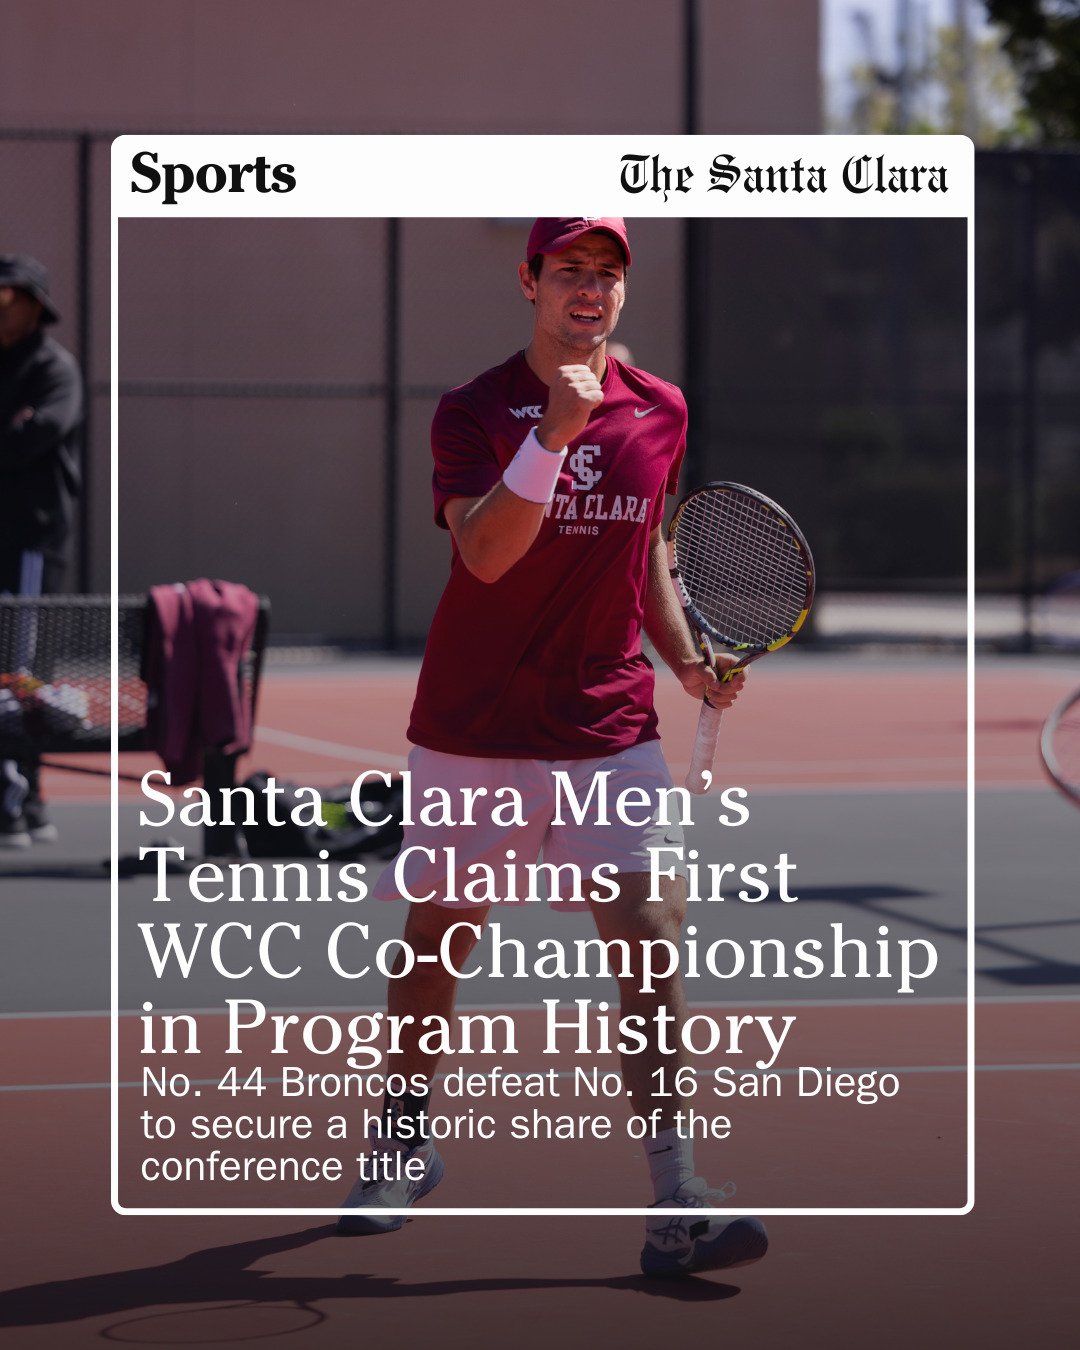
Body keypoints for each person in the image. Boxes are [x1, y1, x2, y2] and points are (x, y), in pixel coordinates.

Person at [337, 218, 768, 1277]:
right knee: (437, 944)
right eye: (570, 270)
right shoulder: (474, 411)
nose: (591, 289)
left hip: (607, 721)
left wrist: (686, 661)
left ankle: (678, 1192)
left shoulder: (659, 407)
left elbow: (650, 547)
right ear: (529, 281)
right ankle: (401, 1134)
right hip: (475, 721)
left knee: (652, 935)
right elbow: (483, 554)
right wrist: (553, 437)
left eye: (609, 274)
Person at [0, 255, 83, 848]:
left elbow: (29, 440)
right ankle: (18, 798)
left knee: (20, 676)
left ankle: (21, 799)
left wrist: (15, 430)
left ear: (34, 306)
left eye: (13, 297)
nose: (3, 309)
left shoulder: (55, 370)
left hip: (31, 544)